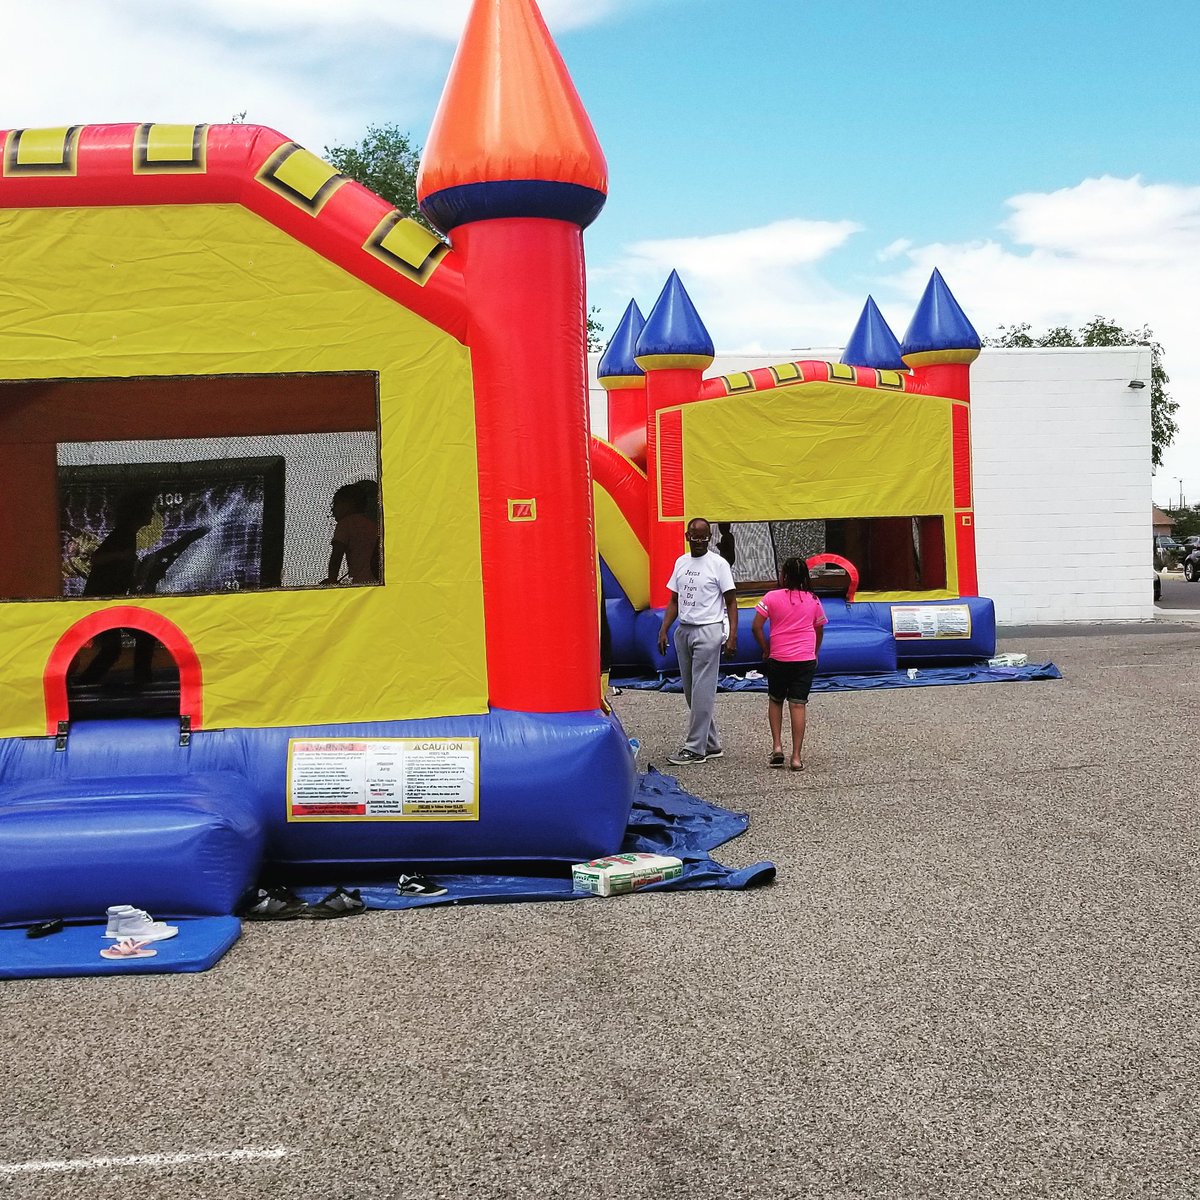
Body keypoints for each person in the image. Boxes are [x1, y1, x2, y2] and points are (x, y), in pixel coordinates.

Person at [657, 517, 737, 766]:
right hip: (684, 630)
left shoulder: (718, 564)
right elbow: (673, 599)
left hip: (708, 630)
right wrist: (664, 629)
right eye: (695, 536)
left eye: (704, 537)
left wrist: (732, 635)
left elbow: (732, 601)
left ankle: (694, 748)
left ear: (710, 538)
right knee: (692, 692)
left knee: (703, 690)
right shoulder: (681, 562)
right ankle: (711, 743)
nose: (700, 541)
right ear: (687, 536)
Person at [751, 556, 827, 771]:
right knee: (798, 704)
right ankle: (796, 757)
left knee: (776, 700)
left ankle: (777, 746)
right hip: (804, 658)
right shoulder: (813, 600)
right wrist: (814, 651)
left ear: (783, 575)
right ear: (805, 576)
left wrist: (766, 649)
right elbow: (819, 628)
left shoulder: (772, 597)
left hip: (779, 657)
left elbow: (756, 626)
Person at [76, 490, 158, 685]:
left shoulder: (128, 535)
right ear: (137, 513)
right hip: (102, 601)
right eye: (148, 510)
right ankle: (141, 681)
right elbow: (97, 558)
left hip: (110, 600)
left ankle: (86, 682)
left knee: (114, 649)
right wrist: (122, 556)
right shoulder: (122, 534)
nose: (152, 514)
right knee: (135, 641)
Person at [322, 480, 379, 585]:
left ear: (347, 504)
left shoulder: (345, 524)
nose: (333, 511)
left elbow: (336, 555)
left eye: (335, 504)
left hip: (361, 582)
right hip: (378, 581)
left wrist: (332, 579)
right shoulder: (374, 526)